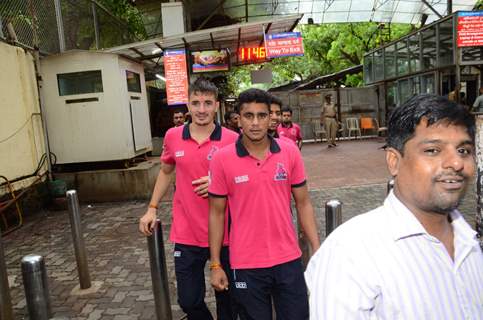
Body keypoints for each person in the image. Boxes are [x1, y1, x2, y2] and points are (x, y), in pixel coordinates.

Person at [305, 94, 483, 319]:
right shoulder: (350, 254)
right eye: (433, 151)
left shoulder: (469, 242)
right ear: (394, 161)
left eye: (463, 150)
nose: (456, 163)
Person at [208, 88, 320, 320]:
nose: (256, 123)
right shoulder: (222, 159)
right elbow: (216, 214)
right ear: (238, 119)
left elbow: (304, 204)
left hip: (288, 260)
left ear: (271, 118)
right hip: (246, 264)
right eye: (249, 116)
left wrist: (317, 250)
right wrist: (216, 265)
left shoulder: (289, 152)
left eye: (262, 115)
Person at [139, 78, 238, 320]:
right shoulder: (173, 136)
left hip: (226, 234)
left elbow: (244, 180)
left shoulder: (232, 140)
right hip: (187, 233)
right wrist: (151, 208)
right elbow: (165, 171)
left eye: (207, 103)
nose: (201, 109)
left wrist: (218, 182)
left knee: (229, 301)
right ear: (188, 105)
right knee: (189, 301)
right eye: (196, 103)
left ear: (217, 105)